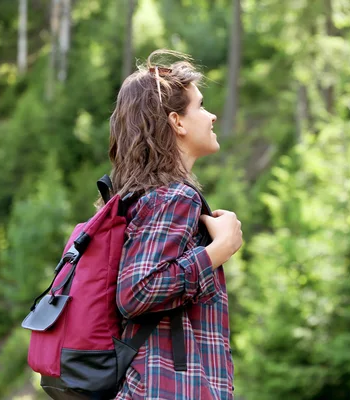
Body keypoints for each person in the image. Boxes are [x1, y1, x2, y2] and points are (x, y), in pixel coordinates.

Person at [110, 49, 242, 400]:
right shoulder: (174, 197)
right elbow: (136, 291)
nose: (212, 116)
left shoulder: (139, 197)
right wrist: (218, 250)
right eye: (200, 107)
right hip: (167, 389)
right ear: (177, 122)